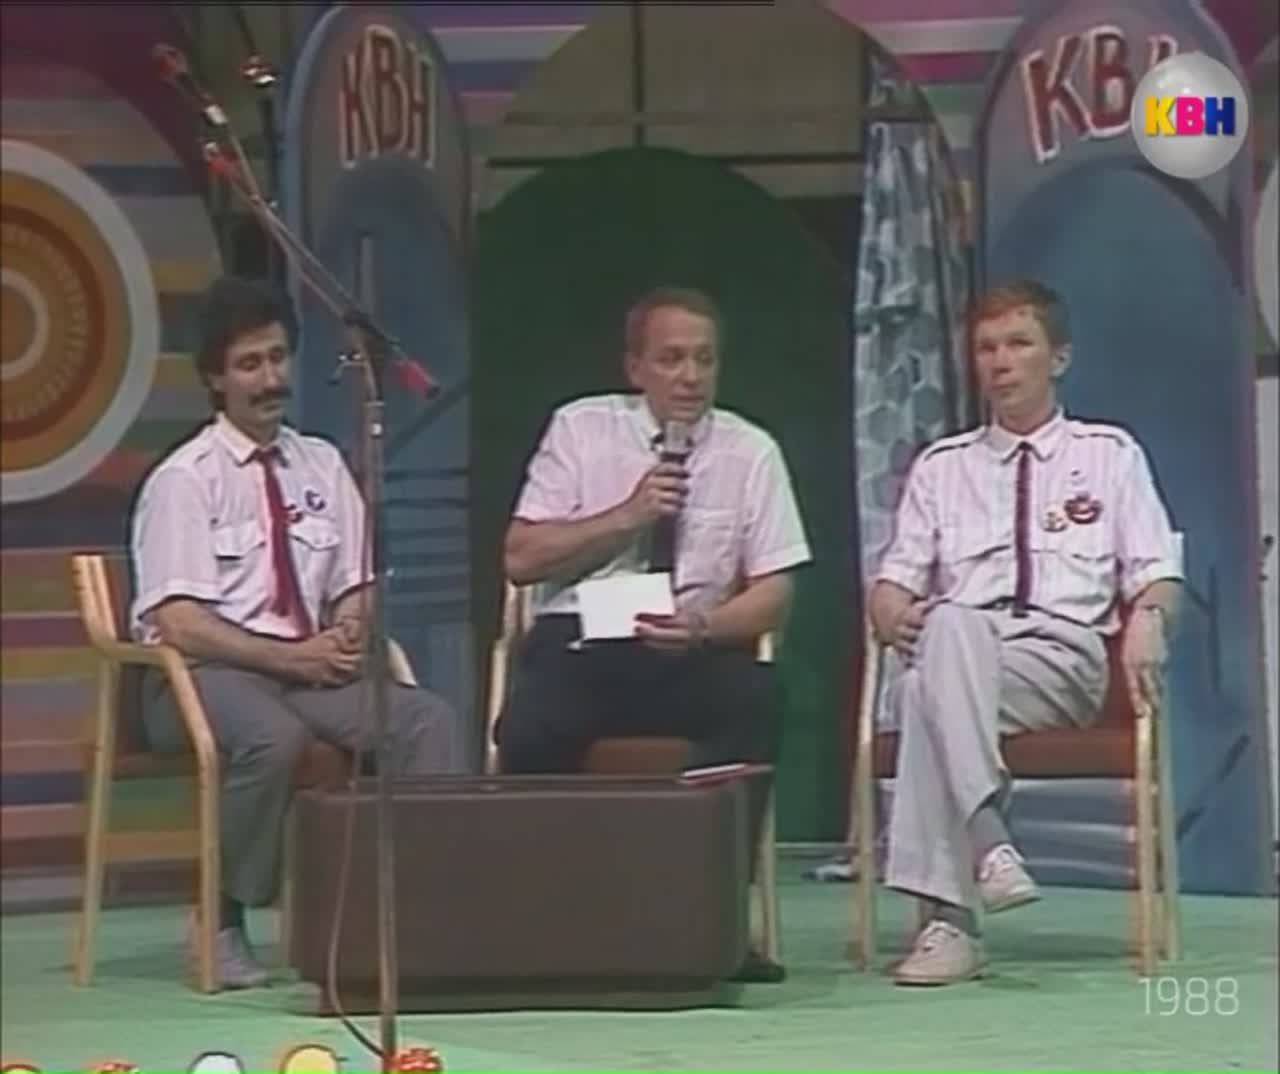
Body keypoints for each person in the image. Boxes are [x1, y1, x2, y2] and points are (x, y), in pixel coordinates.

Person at [130, 276, 466, 989]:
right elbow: (180, 623)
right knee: (273, 737)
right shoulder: (185, 479)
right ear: (216, 379)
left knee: (428, 721)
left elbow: (358, 580)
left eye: (278, 358)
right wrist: (291, 656)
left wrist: (349, 623)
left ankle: (422, 916)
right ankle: (219, 918)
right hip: (202, 677)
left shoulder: (321, 463)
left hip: (308, 670)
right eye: (249, 364)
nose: (270, 379)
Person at [869, 278, 1183, 985]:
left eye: (1018, 344)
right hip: (961, 655)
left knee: (932, 675)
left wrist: (1151, 617)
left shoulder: (1110, 454)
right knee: (936, 658)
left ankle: (953, 913)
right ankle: (985, 860)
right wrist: (888, 611)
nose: (1000, 362)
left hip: (1060, 661)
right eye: (986, 348)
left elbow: (1158, 571)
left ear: (1058, 358)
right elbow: (893, 584)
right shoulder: (941, 468)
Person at [497, 286, 812, 981]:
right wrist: (628, 516)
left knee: (758, 696)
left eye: (705, 359)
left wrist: (704, 625)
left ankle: (713, 922)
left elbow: (776, 593)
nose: (690, 377)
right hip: (584, 644)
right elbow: (520, 559)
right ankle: (543, 920)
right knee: (529, 723)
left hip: (689, 648)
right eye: (671, 359)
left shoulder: (751, 451)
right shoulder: (580, 430)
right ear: (635, 368)